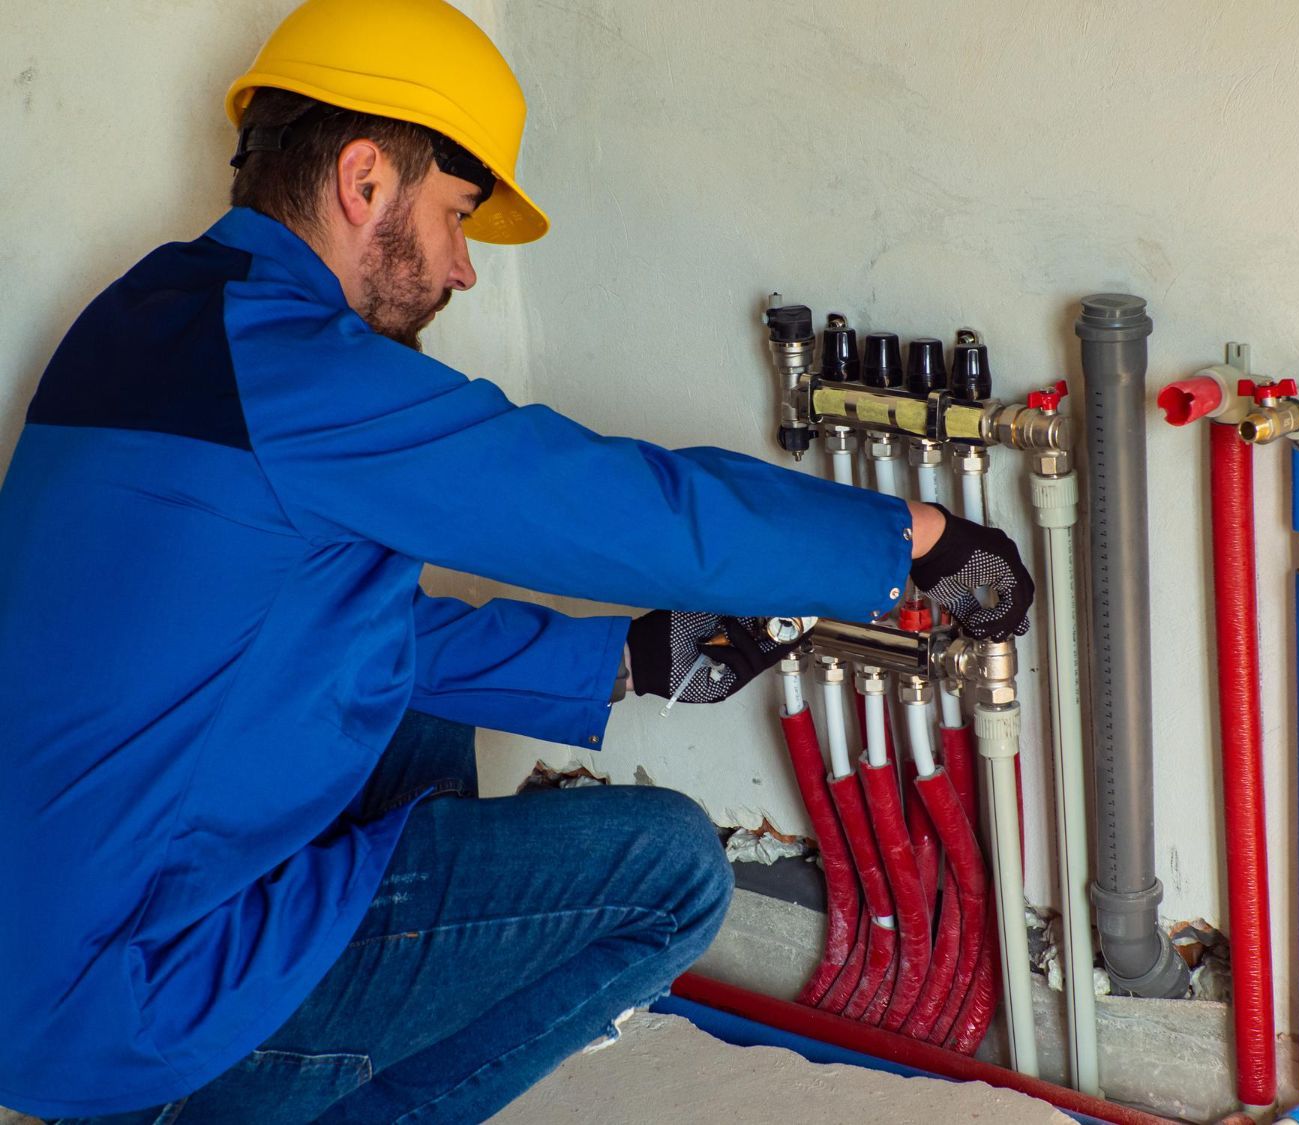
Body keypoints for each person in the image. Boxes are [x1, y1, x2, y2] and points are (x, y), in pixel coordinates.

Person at [0, 1, 1033, 1121]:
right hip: (130, 1007)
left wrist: (626, 661)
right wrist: (908, 543)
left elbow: (320, 637)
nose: (462, 271)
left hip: (43, 960)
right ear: (363, 182)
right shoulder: (293, 367)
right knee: (673, 873)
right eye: (454, 218)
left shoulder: (143, 318)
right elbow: (593, 497)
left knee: (408, 707)